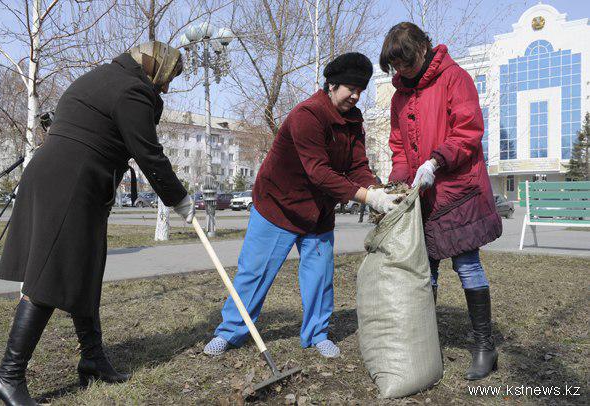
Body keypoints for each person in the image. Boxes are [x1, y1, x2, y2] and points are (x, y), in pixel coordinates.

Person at [0, 41, 195, 406]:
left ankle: (93, 358)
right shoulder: (132, 90)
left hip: (66, 181)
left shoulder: (100, 76)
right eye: (166, 79)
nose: (165, 88)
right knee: (48, 276)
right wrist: (178, 197)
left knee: (85, 270)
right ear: (154, 68)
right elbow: (147, 152)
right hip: (70, 185)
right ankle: (8, 376)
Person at [203, 53, 401, 358]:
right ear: (332, 85)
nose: (356, 95)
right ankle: (230, 332)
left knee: (320, 277)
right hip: (278, 206)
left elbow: (358, 165)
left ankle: (316, 333)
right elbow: (319, 172)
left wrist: (376, 189)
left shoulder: (353, 120)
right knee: (254, 274)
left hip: (318, 212)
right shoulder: (307, 115)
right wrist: (365, 197)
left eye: (361, 90)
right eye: (351, 88)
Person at [380, 22, 502, 380]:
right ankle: (425, 340)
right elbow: (399, 147)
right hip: (423, 197)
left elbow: (468, 132)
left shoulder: (455, 79)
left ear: (422, 48)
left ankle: (484, 345)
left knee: (466, 266)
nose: (401, 71)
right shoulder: (399, 96)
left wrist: (435, 161)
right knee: (424, 271)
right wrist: (398, 183)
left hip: (457, 191)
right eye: (395, 66)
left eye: (405, 62)